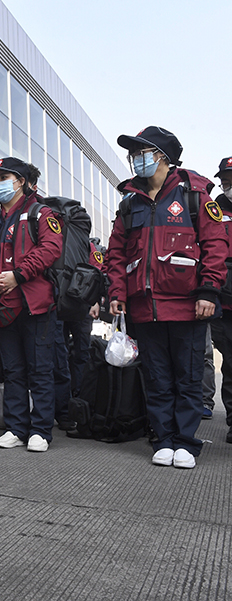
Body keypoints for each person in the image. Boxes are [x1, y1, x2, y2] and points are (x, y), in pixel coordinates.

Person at [106, 126, 226, 469]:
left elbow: (216, 246)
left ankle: (186, 442)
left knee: (187, 377)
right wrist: (117, 292)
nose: (135, 160)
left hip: (189, 305)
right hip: (145, 307)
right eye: (133, 154)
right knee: (156, 376)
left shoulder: (194, 195)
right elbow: (116, 253)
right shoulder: (129, 203)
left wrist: (208, 290)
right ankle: (163, 438)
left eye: (142, 153)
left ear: (163, 157)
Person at [0, 157, 62, 452]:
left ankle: (41, 430)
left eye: (4, 177)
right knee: (12, 368)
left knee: (40, 369)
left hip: (34, 303)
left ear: (21, 181)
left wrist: (17, 276)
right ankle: (16, 427)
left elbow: (51, 249)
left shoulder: (40, 212)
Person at [209, 156, 232, 443]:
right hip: (224, 303)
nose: (227, 185)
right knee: (230, 363)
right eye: (225, 180)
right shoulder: (214, 209)